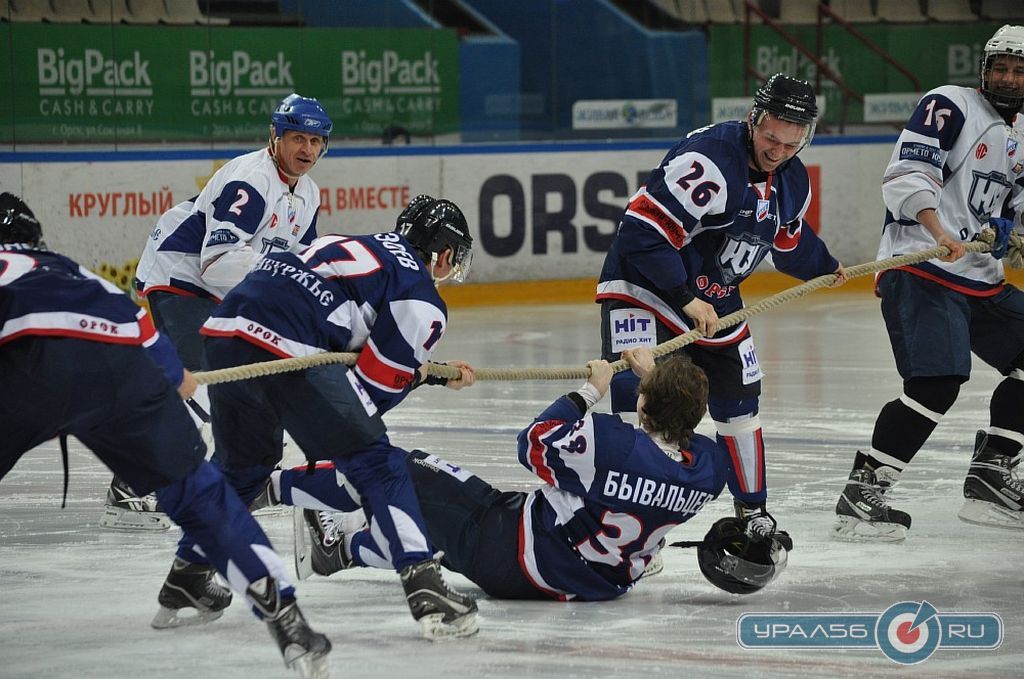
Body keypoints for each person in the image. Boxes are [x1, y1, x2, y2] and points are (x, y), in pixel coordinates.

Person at [0, 193, 330, 679]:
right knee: (203, 498)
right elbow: (155, 347)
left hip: (28, 362)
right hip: (121, 366)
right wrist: (176, 379)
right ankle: (289, 620)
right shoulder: (76, 272)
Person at [184, 195, 480, 639]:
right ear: (442, 251)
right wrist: (418, 376)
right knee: (377, 462)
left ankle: (186, 577)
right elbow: (367, 395)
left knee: (244, 467)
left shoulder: (358, 243)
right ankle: (424, 584)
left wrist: (424, 376)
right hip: (288, 342)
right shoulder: (420, 293)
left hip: (226, 327)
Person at [282, 347, 792, 600]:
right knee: (438, 530)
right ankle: (341, 551)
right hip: (593, 581)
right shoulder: (707, 470)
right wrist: (654, 381)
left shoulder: (611, 445)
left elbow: (531, 443)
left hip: (515, 549)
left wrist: (590, 391)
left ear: (645, 403)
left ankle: (269, 486)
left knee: (399, 468)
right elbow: (682, 426)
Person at [595, 74, 847, 537]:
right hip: (644, 289)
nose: (778, 151)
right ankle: (622, 521)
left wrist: (827, 267)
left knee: (740, 399)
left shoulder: (791, 180)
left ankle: (753, 513)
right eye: (771, 137)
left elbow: (788, 243)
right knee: (640, 401)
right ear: (753, 119)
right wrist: (685, 297)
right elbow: (639, 234)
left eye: (792, 143)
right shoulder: (708, 160)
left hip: (714, 299)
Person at [101, 92, 333, 531]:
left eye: (316, 141)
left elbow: (300, 259)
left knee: (239, 379)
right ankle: (130, 483)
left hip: (222, 289)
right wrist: (282, 284)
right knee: (204, 382)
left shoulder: (308, 192)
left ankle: (231, 475)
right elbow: (219, 260)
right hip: (181, 276)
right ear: (276, 137)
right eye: (297, 138)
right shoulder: (251, 179)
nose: (307, 150)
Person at [832, 25, 1024, 541]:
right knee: (937, 382)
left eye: (1019, 70)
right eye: (1000, 67)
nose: (1007, 78)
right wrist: (940, 231)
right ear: (984, 70)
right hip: (922, 263)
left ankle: (992, 473)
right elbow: (907, 176)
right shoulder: (951, 104)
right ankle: (864, 489)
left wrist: (1012, 229)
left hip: (980, 276)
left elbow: (1017, 205)